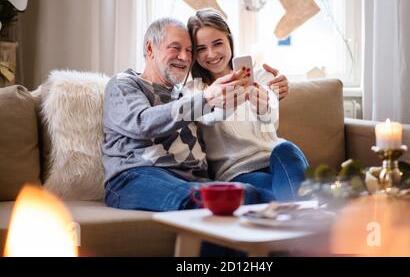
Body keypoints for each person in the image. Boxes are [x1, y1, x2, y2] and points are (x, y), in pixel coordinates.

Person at [102, 17, 289, 212]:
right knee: (216, 199)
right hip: (137, 176)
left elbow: (223, 117)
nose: (184, 57)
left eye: (190, 50)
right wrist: (206, 99)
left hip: (193, 180)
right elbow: (142, 122)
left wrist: (272, 91)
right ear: (150, 49)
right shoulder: (125, 83)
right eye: (175, 48)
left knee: (252, 195)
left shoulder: (186, 93)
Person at [186, 8, 309, 202]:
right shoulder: (194, 90)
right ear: (194, 53)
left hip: (275, 158)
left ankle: (298, 217)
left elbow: (271, 117)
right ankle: (307, 217)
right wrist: (226, 96)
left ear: (229, 41)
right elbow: (210, 117)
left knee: (287, 149)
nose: (211, 54)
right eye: (201, 48)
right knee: (283, 194)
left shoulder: (258, 76)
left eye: (217, 43)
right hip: (237, 172)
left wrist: (263, 105)